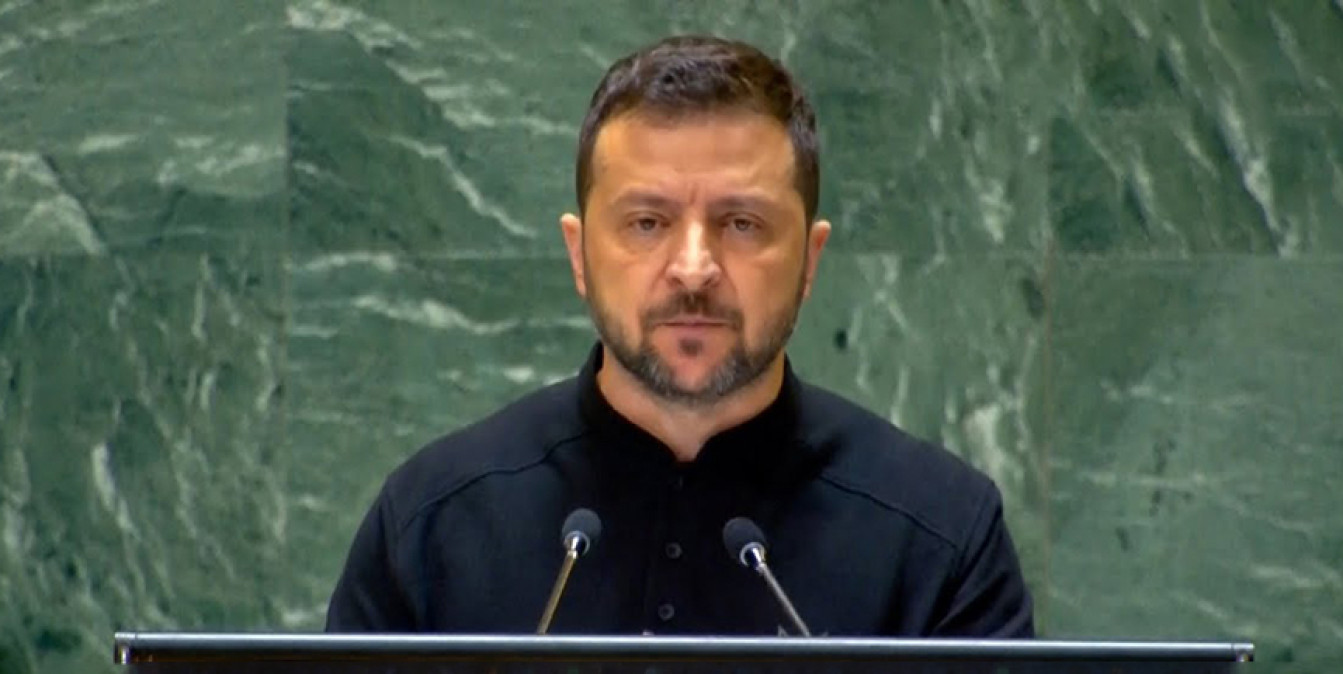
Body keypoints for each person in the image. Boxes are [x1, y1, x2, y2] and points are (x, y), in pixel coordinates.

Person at [325, 35, 1034, 637]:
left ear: (810, 261)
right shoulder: (433, 523)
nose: (694, 269)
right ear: (579, 254)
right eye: (647, 222)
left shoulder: (939, 537)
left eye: (742, 224)